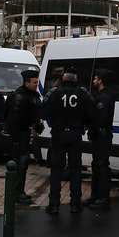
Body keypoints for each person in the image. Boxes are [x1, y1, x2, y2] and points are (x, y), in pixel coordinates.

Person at [41, 67, 89, 215]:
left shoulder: (55, 93)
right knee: (75, 169)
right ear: (75, 80)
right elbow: (91, 113)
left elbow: (43, 112)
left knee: (56, 169)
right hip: (75, 135)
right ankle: (75, 203)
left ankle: (54, 204)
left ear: (62, 79)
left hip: (59, 133)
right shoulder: (82, 93)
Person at [5, 69, 44, 204]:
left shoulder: (32, 95)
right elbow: (12, 120)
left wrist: (38, 123)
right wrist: (15, 139)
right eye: (34, 82)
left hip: (25, 132)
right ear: (26, 83)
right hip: (19, 133)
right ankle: (15, 193)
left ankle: (19, 191)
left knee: (24, 163)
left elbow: (34, 113)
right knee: (19, 163)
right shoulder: (20, 97)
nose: (36, 85)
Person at [83, 68, 115, 211]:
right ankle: (95, 195)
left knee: (102, 167)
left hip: (102, 136)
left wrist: (91, 132)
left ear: (100, 81)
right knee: (96, 165)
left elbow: (100, 119)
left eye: (96, 79)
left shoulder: (104, 98)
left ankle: (103, 197)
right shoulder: (102, 95)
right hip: (100, 136)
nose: (94, 81)